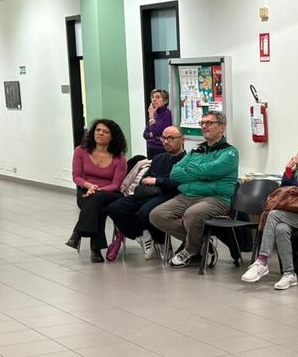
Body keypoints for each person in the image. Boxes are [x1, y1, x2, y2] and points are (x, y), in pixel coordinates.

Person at [150, 110, 239, 269]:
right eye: (202, 123)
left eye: (209, 123)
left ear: (221, 127)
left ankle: (190, 250)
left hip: (216, 199)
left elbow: (212, 171)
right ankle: (202, 242)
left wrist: (191, 169)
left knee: (192, 214)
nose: (204, 126)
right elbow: (175, 173)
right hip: (188, 196)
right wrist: (202, 174)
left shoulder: (230, 152)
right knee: (157, 215)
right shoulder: (196, 150)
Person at [241, 138, 298, 290]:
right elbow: (285, 190)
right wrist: (289, 169)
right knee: (280, 228)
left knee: (274, 214)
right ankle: (289, 274)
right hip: (296, 214)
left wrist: (293, 195)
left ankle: (262, 260)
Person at [105, 126, 187, 261]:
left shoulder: (187, 160)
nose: (166, 141)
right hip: (146, 193)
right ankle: (142, 234)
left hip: (168, 195)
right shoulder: (159, 158)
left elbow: (180, 183)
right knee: (115, 208)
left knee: (146, 212)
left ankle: (161, 242)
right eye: (164, 138)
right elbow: (145, 178)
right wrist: (154, 180)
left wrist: (158, 180)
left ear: (182, 140)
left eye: (171, 138)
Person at [65, 119, 128, 263]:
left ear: (112, 137)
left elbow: (116, 185)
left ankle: (78, 233)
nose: (100, 133)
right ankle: (95, 250)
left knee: (96, 199)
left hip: (110, 193)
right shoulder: (81, 151)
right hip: (86, 191)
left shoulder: (119, 159)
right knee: (97, 207)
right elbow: (76, 176)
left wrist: (98, 189)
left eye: (106, 132)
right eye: (98, 130)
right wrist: (89, 186)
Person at [142, 89, 172, 158]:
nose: (154, 99)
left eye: (157, 97)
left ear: (165, 101)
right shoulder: (154, 114)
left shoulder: (166, 114)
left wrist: (151, 117)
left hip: (160, 149)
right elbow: (145, 134)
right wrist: (151, 134)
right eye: (152, 97)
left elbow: (157, 133)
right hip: (150, 148)